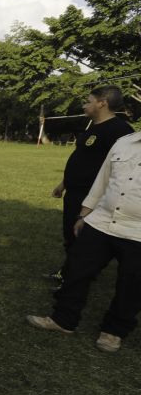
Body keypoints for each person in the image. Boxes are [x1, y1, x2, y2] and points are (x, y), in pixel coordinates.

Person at [27, 131, 141, 353]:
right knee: (76, 270)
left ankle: (114, 331)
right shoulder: (124, 143)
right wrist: (84, 215)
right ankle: (63, 319)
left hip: (137, 232)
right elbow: (102, 182)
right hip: (101, 220)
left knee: (132, 284)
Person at [49, 86, 133, 283]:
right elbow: (83, 159)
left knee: (82, 238)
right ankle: (67, 273)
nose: (84, 104)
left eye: (88, 101)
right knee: (71, 235)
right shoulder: (93, 127)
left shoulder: (120, 131)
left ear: (102, 103)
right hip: (74, 192)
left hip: (92, 196)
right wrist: (63, 184)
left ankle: (73, 279)